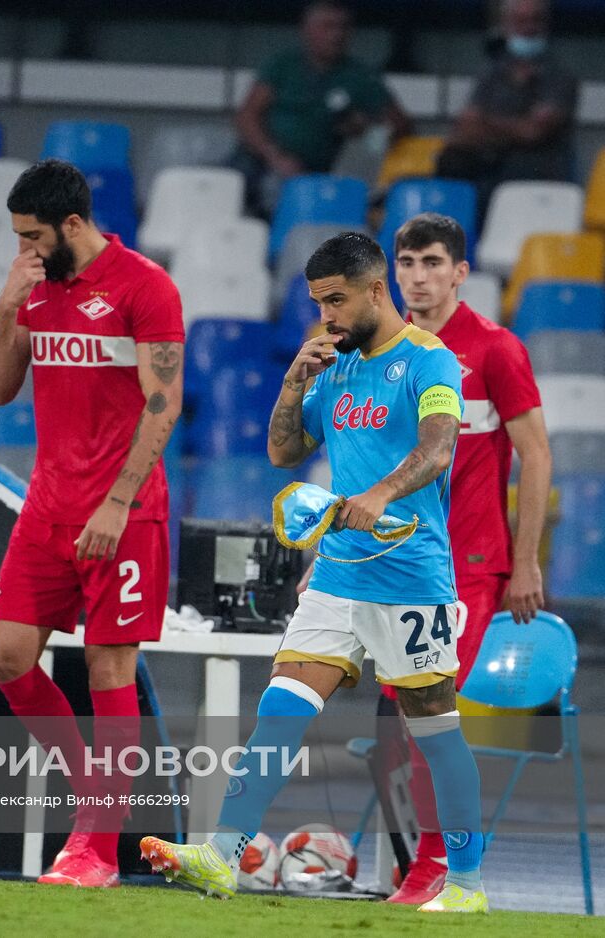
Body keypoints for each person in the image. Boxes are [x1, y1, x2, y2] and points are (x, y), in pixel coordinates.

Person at [141, 232, 489, 914]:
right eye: (318, 303)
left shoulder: (430, 360)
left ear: (375, 290)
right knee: (279, 710)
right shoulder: (334, 368)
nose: (326, 316)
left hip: (412, 579)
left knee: (436, 731)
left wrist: (382, 494)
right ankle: (220, 856)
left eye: (336, 301)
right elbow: (282, 450)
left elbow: (439, 447)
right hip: (336, 576)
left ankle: (468, 887)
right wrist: (294, 378)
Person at [0, 159, 185, 888]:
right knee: (5, 657)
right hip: (48, 504)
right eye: (17, 239)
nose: (25, 250)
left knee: (108, 665)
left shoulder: (145, 287)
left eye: (33, 237)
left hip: (123, 509)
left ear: (73, 224)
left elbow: (164, 403)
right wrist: (7, 309)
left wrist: (119, 500)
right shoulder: (34, 290)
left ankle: (94, 849)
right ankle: (97, 794)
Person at [382, 212, 549, 903]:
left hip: (471, 566)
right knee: (399, 723)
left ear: (460, 272)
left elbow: (536, 455)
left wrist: (527, 561)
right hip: (396, 563)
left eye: (430, 263)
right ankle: (435, 858)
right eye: (407, 264)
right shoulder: (386, 350)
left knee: (427, 713)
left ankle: (435, 866)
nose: (417, 277)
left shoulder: (495, 351)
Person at [231, 0, 411, 214]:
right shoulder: (282, 65)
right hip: (265, 160)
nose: (337, 35)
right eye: (328, 26)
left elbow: (402, 125)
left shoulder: (360, 76)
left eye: (343, 27)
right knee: (231, 181)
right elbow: (247, 117)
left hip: (326, 172)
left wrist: (366, 128)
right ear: (307, 29)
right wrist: (275, 157)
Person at [437, 0, 578, 215]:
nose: (528, 28)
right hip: (488, 171)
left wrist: (486, 124)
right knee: (451, 166)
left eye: (535, 20)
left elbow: (534, 132)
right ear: (506, 25)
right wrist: (514, 127)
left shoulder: (560, 75)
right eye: (520, 21)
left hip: (539, 177)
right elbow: (466, 127)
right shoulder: (491, 71)